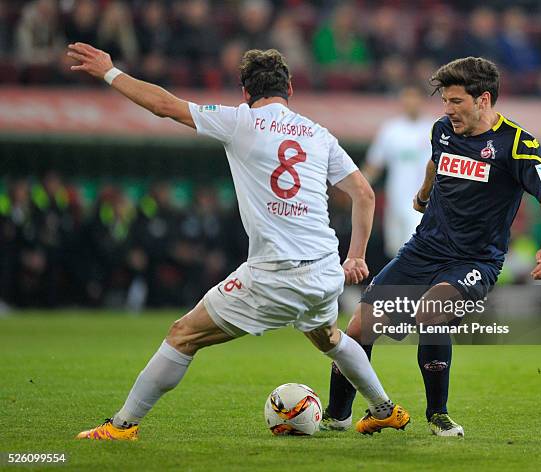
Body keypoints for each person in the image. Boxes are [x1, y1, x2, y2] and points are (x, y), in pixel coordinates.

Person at [66, 42, 410, 440]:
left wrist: (110, 72)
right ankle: (384, 409)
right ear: (291, 90)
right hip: (324, 270)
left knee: (183, 335)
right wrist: (356, 257)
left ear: (245, 92)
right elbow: (364, 194)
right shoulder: (319, 135)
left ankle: (122, 426)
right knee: (328, 337)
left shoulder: (240, 121)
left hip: (274, 275)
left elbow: (164, 105)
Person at [322, 57, 541, 436]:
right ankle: (335, 417)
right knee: (357, 327)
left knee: (431, 312)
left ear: (483, 100)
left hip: (475, 260)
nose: (448, 111)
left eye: (456, 102)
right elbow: (437, 161)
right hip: (423, 249)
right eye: (445, 102)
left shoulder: (519, 145)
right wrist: (422, 194)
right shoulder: (442, 130)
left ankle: (438, 415)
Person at [362, 85, 432, 259]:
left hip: (421, 204)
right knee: (395, 251)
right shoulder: (391, 129)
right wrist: (358, 188)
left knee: (415, 250)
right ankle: (400, 286)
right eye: (407, 97)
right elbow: (374, 165)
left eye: (414, 97)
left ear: (422, 100)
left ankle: (419, 287)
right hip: (395, 201)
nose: (411, 102)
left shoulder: (433, 129)